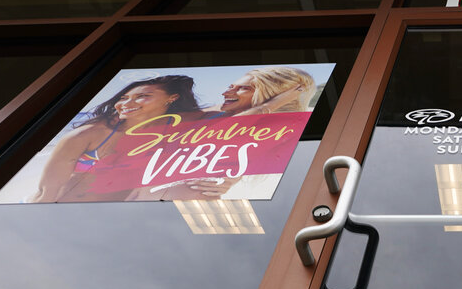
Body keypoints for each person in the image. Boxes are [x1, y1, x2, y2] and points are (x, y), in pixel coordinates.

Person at [127, 66, 318, 201]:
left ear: (268, 94)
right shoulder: (215, 113)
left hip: (180, 206)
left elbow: (227, 135)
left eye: (243, 88)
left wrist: (270, 105)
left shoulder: (276, 130)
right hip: (143, 200)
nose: (227, 92)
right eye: (231, 86)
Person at [32, 75, 202, 203]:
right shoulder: (89, 135)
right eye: (123, 97)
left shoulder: (175, 133)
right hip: (64, 210)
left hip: (116, 218)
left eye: (142, 96)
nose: (126, 103)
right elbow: (46, 193)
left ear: (172, 98)